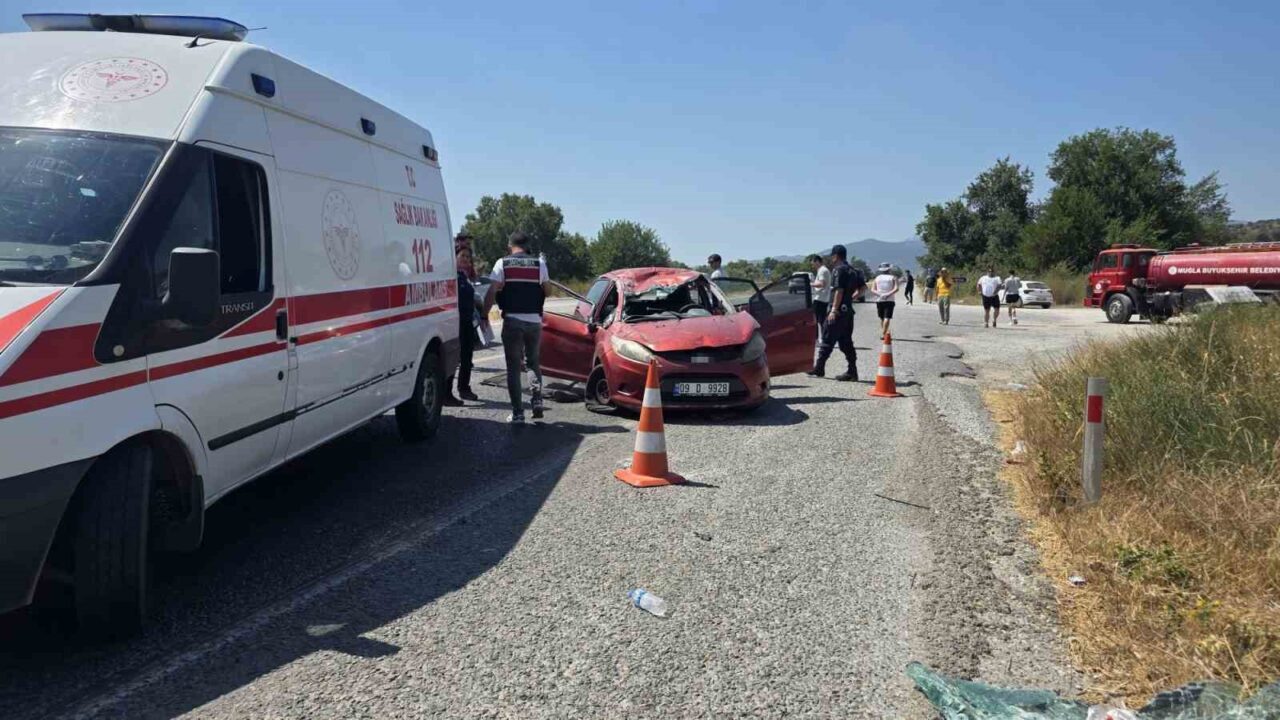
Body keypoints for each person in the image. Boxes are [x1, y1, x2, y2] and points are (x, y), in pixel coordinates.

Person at [489, 231, 549, 424]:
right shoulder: (539, 264)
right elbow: (548, 290)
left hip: (513, 320)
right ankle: (537, 399)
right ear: (527, 245)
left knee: (513, 368)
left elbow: (493, 289)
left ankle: (517, 413)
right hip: (534, 321)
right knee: (533, 363)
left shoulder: (502, 263)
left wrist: (484, 312)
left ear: (510, 245)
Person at [808, 244, 862, 381]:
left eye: (832, 256)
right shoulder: (854, 270)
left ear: (836, 256)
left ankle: (819, 368)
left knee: (827, 338)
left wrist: (834, 309)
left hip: (838, 312)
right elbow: (863, 288)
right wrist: (850, 299)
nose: (831, 258)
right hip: (848, 312)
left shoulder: (838, 270)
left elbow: (839, 290)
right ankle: (852, 371)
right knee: (846, 342)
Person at [444, 245, 479, 406]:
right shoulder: (450, 276)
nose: (465, 259)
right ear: (454, 257)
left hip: (467, 322)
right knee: (453, 358)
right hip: (454, 323)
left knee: (467, 357)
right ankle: (446, 393)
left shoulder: (466, 276)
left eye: (468, 257)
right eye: (462, 256)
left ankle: (464, 388)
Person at [808, 254, 832, 361]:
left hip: (820, 299)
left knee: (816, 320)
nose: (812, 265)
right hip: (823, 298)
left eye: (812, 262)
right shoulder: (823, 270)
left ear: (817, 261)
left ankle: (819, 340)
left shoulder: (822, 270)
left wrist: (810, 284)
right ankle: (823, 339)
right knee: (821, 320)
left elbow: (822, 284)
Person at [870, 262, 899, 337]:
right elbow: (896, 288)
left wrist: (880, 294)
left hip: (879, 300)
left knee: (882, 317)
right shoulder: (893, 277)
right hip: (890, 300)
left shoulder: (877, 278)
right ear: (889, 269)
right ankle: (884, 334)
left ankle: (884, 332)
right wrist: (888, 294)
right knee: (887, 317)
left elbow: (872, 289)